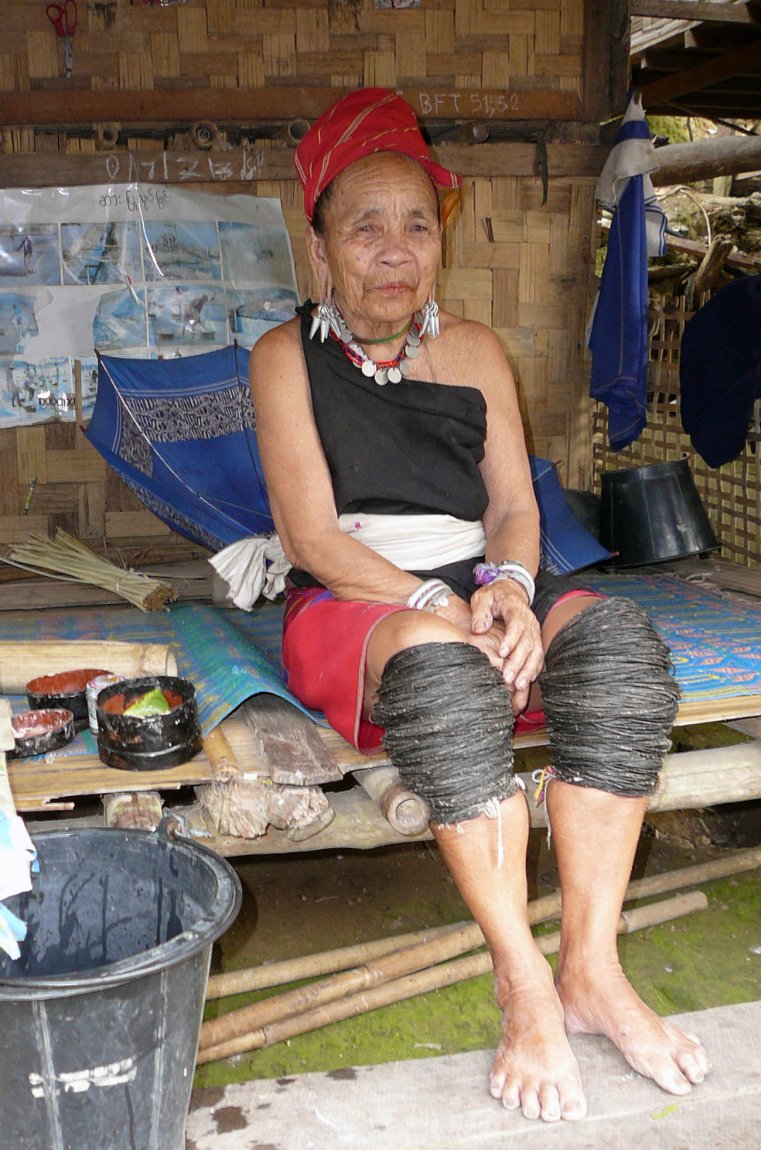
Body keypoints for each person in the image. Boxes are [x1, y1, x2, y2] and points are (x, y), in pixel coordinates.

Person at [250, 88, 711, 1123]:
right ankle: (523, 980)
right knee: (447, 677)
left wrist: (504, 586)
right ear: (319, 245)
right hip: (356, 595)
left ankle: (589, 967)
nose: (393, 248)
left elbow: (511, 503)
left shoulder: (474, 352)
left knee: (617, 655)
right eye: (363, 225)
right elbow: (312, 538)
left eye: (415, 222)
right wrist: (438, 605)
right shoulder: (284, 359)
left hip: (479, 581)